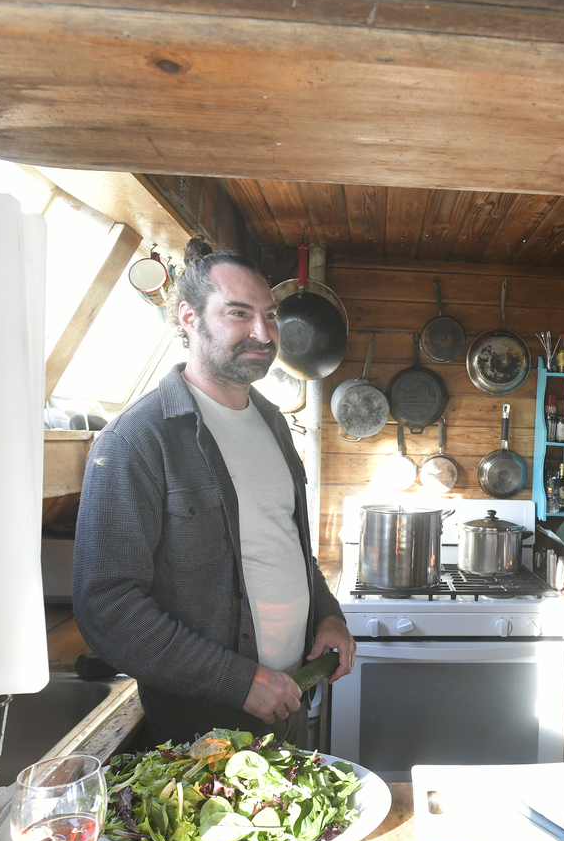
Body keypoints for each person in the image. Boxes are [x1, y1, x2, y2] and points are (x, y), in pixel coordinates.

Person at [72, 239, 355, 747]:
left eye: (269, 317)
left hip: (292, 695)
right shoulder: (137, 440)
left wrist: (327, 614)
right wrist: (239, 681)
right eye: (238, 313)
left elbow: (286, 549)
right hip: (205, 728)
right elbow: (106, 606)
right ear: (189, 317)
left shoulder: (274, 424)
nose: (261, 332)